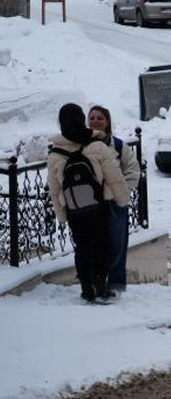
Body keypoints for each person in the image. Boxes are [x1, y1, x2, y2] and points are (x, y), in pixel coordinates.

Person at [47, 103, 130, 302]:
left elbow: (54, 188)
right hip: (98, 204)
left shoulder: (55, 153)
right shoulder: (96, 145)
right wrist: (122, 198)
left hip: (74, 208)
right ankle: (101, 284)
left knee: (82, 247)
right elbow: (114, 176)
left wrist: (61, 214)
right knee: (101, 244)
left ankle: (86, 288)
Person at [88, 105, 141, 294]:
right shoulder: (82, 144)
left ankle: (116, 284)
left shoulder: (118, 145)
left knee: (117, 244)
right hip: (90, 203)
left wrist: (120, 191)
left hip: (114, 202)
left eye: (99, 118)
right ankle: (94, 282)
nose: (95, 121)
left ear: (107, 121)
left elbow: (133, 169)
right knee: (93, 244)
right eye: (92, 118)